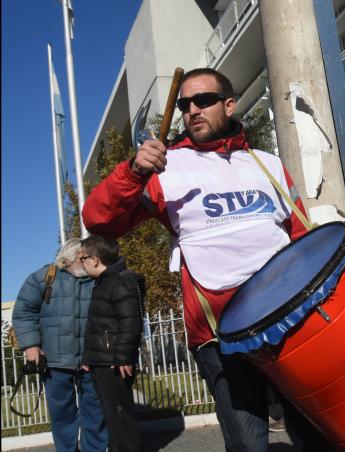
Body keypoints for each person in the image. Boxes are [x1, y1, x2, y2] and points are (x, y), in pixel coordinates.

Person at [82, 68, 331, 451]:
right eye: (185, 104)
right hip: (220, 333)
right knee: (248, 444)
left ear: (229, 105)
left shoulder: (267, 163)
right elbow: (100, 221)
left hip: (290, 321)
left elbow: (299, 235)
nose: (192, 110)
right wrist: (133, 172)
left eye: (204, 101)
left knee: (318, 434)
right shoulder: (165, 168)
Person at [12, 239, 108, 452]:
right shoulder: (42, 278)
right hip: (54, 360)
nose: (88, 262)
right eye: (83, 258)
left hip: (91, 359)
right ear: (68, 260)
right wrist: (31, 346)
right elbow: (24, 313)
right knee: (62, 414)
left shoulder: (97, 279)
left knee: (95, 411)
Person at [80, 235, 145, 452]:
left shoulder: (120, 282)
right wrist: (90, 357)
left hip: (115, 363)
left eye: (83, 259)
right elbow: (100, 325)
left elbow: (130, 323)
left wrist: (123, 356)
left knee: (120, 416)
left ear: (95, 260)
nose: (82, 263)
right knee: (112, 415)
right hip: (103, 361)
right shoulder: (105, 282)